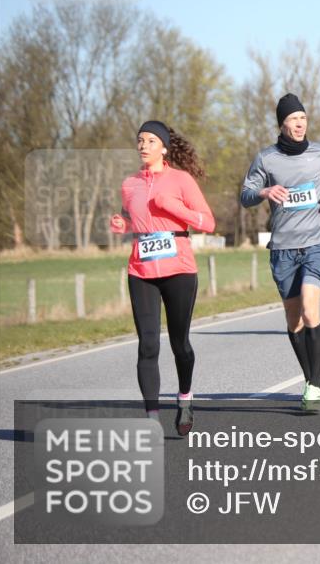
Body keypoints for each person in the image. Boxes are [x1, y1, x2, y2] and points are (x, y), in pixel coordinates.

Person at [110, 121, 215, 435]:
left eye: (151, 140)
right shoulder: (129, 184)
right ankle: (151, 418)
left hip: (179, 270)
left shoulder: (181, 180)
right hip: (141, 271)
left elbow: (208, 223)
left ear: (165, 148)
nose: (143, 145)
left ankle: (185, 397)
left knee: (180, 343)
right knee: (147, 345)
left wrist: (172, 207)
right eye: (140, 140)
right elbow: (132, 220)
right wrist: (122, 225)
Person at [241, 93, 320, 411]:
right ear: (282, 124)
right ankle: (309, 378)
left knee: (311, 309)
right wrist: (264, 190)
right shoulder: (266, 158)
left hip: (316, 243)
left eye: (303, 118)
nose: (300, 124)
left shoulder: (319, 153)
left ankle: (316, 385)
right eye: (293, 119)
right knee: (294, 320)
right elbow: (245, 194)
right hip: (283, 248)